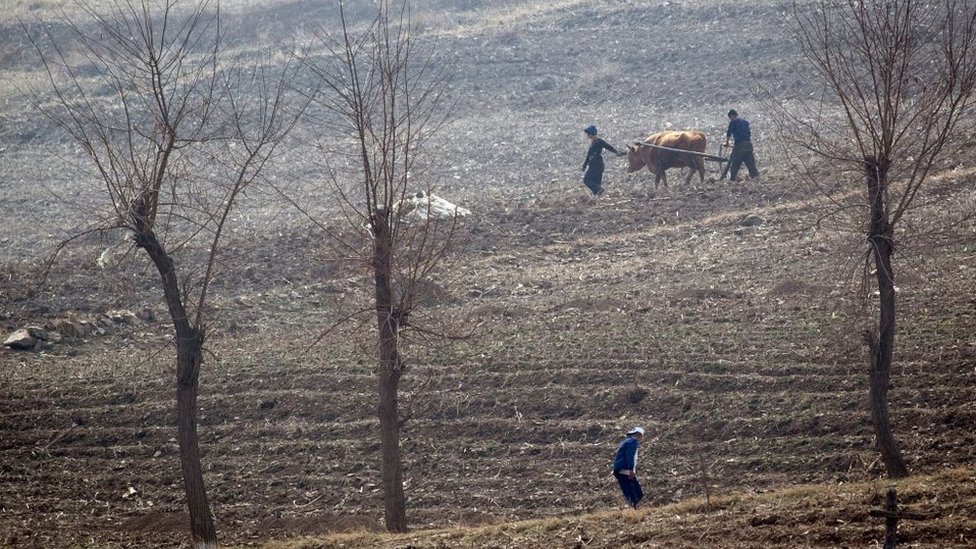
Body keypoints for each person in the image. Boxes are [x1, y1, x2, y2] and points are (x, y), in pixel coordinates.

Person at [581, 125, 625, 196]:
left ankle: (598, 190)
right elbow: (588, 156)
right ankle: (597, 196)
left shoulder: (599, 141)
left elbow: (608, 146)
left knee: (587, 180)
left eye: (588, 134)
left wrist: (617, 152)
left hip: (596, 165)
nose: (587, 135)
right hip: (598, 164)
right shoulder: (593, 143)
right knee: (596, 183)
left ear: (591, 134)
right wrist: (584, 165)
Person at [612, 426, 645, 509]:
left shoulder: (626, 441)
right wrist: (631, 470)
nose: (641, 438)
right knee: (636, 494)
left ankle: (633, 508)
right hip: (625, 470)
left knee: (631, 492)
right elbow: (629, 456)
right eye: (641, 435)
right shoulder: (633, 442)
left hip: (620, 469)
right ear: (638, 434)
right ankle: (634, 510)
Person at [722, 109, 759, 182]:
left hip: (740, 145)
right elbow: (748, 133)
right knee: (750, 162)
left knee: (735, 163)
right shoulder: (745, 122)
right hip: (748, 144)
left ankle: (732, 180)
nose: (730, 119)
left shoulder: (733, 122)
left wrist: (727, 143)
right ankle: (756, 177)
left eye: (730, 117)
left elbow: (729, 133)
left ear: (732, 116)